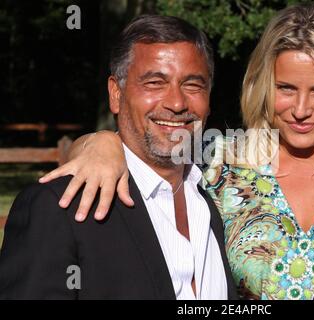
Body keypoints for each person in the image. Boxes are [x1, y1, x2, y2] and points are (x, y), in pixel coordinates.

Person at [38, 4, 314, 300]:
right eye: (287, 88)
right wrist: (100, 143)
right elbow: (146, 144)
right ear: (263, 86)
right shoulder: (219, 165)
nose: (300, 110)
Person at [0, 15, 238, 300]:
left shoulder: (217, 196)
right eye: (154, 83)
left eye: (192, 85)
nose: (176, 103)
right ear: (116, 93)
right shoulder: (58, 207)